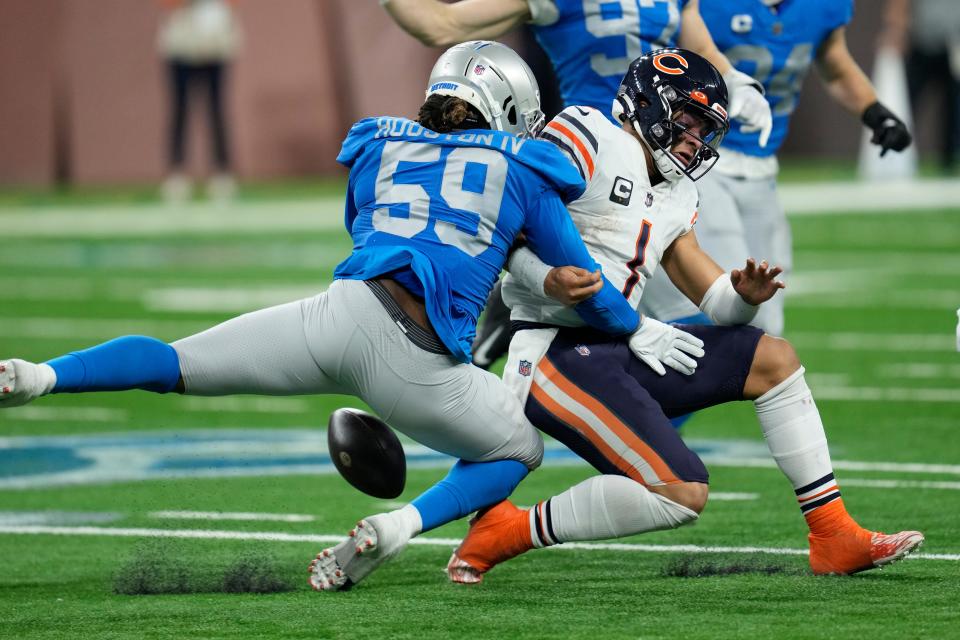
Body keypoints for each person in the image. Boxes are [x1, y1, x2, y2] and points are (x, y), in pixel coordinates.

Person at [0, 41, 704, 592]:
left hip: (333, 318)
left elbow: (361, 230)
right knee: (517, 449)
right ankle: (400, 528)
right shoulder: (526, 166)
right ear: (513, 109)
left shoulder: (379, 146)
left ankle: (39, 375)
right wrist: (638, 328)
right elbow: (586, 284)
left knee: (176, 362)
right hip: (419, 362)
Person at [439, 49, 924, 583]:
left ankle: (834, 535)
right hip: (552, 349)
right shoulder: (587, 133)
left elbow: (715, 300)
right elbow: (501, 221)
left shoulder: (678, 192)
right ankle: (506, 530)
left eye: (706, 128)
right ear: (647, 103)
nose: (697, 138)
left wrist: (745, 296)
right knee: (681, 492)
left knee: (774, 359)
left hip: (625, 343)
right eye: (689, 120)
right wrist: (544, 278)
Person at [378, 0, 775, 369]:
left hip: (659, 170)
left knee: (696, 331)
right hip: (588, 164)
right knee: (658, 332)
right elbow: (441, 23)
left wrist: (733, 82)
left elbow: (703, 50)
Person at [640, 0, 914, 336]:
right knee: (726, 307)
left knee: (767, 319)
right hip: (702, 163)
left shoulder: (823, 8)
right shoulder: (703, 7)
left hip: (763, 171)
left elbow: (834, 62)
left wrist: (873, 111)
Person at [157, 0, 242, 204]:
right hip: (182, 43)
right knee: (180, 110)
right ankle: (177, 173)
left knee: (217, 110)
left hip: (215, 42)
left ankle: (222, 173)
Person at [882, 0, 960, 174]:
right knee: (904, 103)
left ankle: (949, 163)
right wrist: (895, 30)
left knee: (954, 109)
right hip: (923, 43)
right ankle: (891, 154)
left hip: (956, 44)